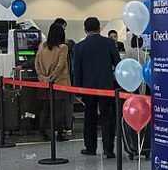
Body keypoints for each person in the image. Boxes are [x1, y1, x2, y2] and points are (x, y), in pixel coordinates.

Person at [72, 17, 120, 157]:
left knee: (90, 117)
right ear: (99, 28)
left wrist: (78, 91)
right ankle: (108, 149)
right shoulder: (109, 43)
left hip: (88, 88)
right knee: (107, 117)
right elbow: (118, 63)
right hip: (106, 86)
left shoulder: (79, 47)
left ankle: (90, 147)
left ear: (85, 30)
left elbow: (77, 70)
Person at [35, 22, 71, 141]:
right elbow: (60, 66)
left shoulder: (42, 46)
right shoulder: (63, 47)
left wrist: (41, 76)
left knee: (44, 108)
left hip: (43, 83)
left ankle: (42, 132)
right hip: (58, 83)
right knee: (58, 109)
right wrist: (51, 78)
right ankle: (59, 133)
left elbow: (36, 63)